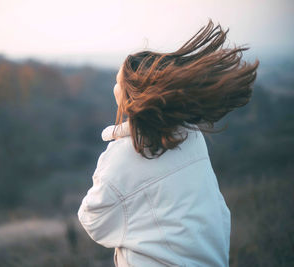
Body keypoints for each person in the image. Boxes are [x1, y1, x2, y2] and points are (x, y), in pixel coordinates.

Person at [77, 18, 259, 267]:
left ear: (131, 94)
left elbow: (92, 220)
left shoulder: (123, 156)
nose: (114, 87)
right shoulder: (190, 137)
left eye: (119, 82)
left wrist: (110, 158)